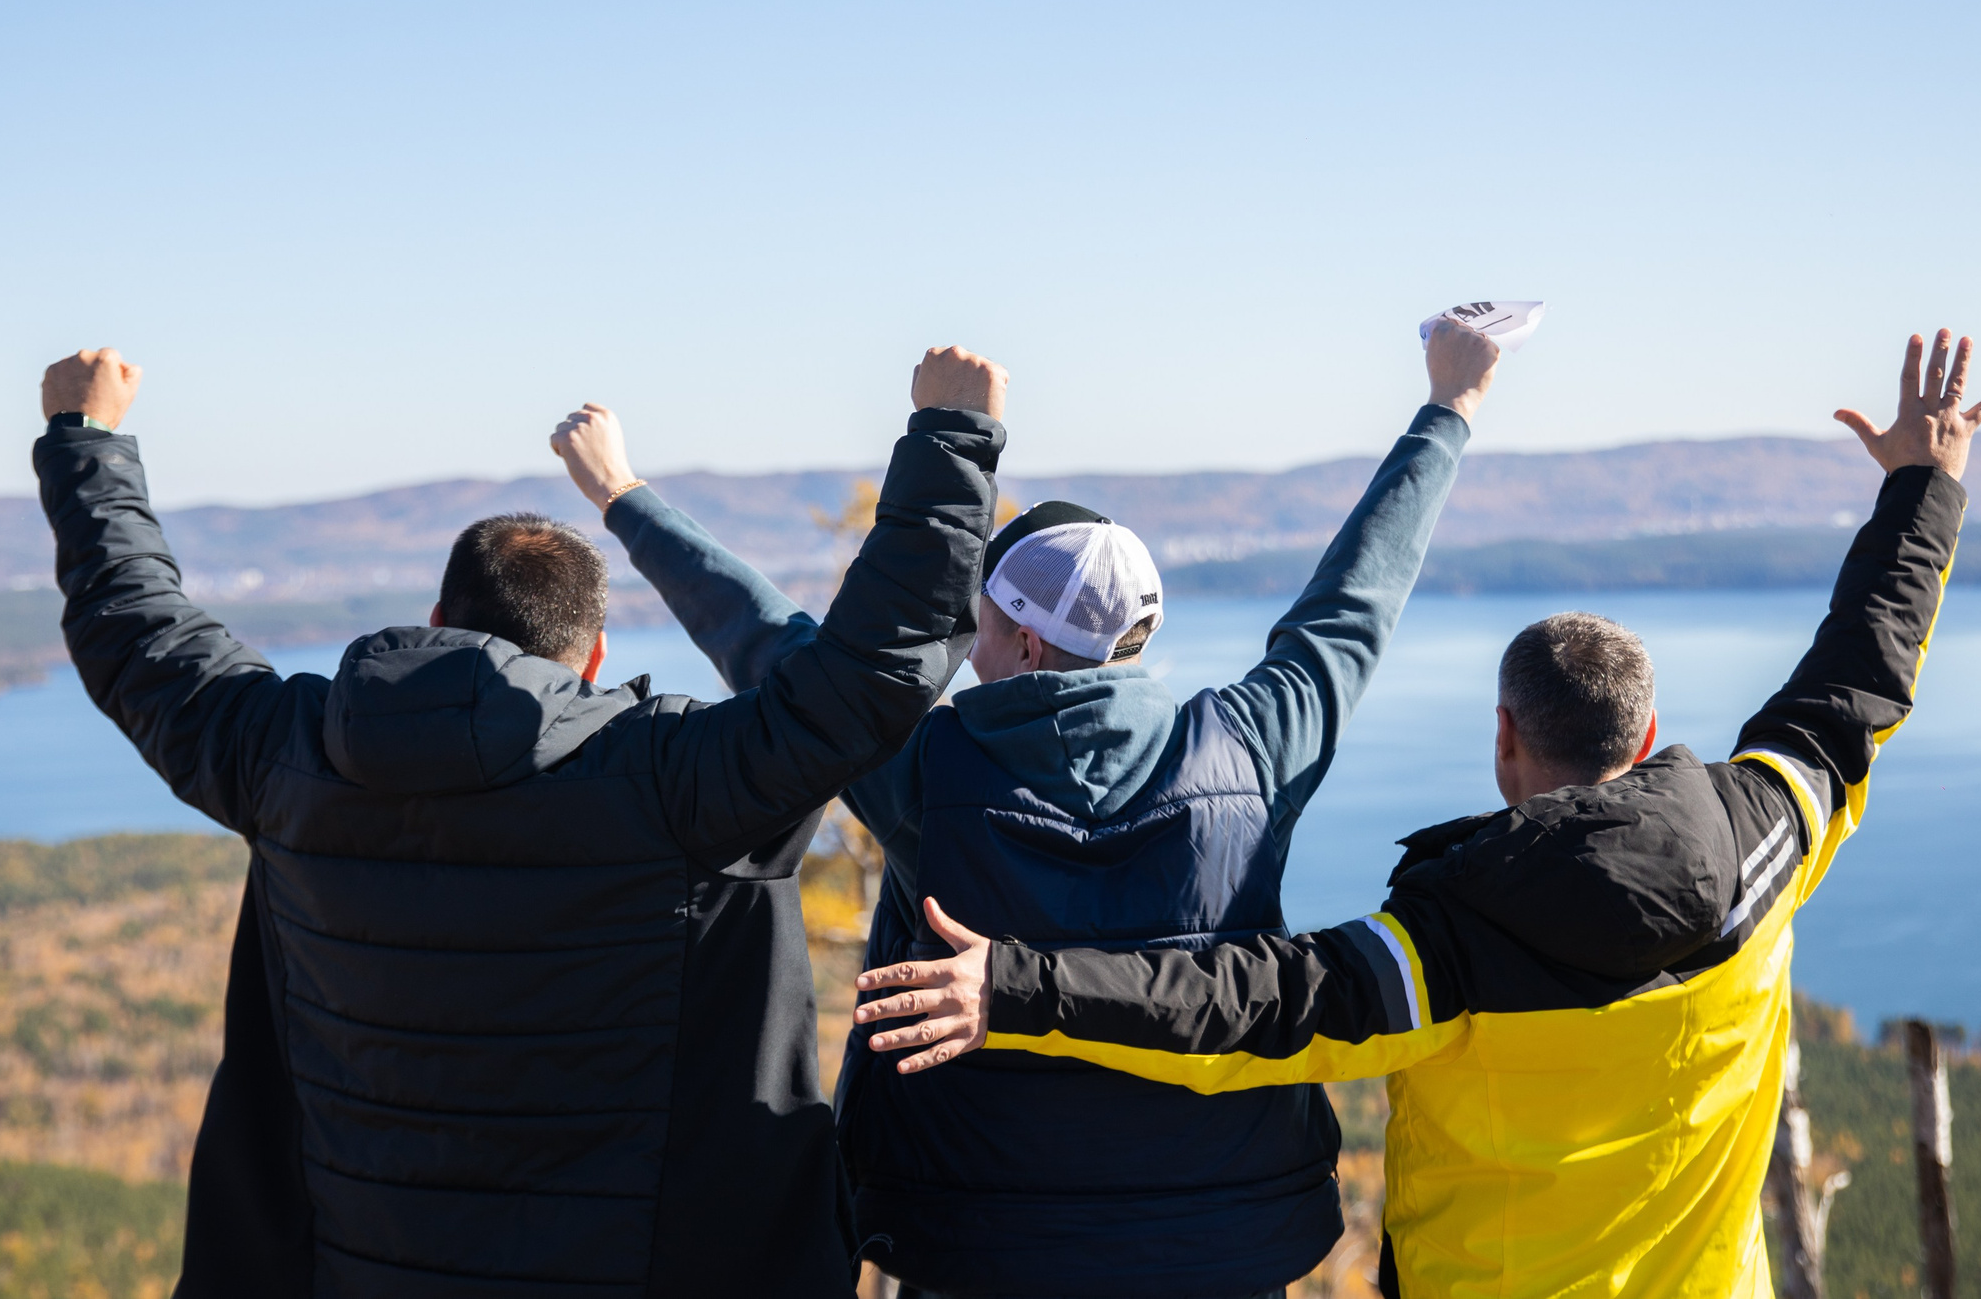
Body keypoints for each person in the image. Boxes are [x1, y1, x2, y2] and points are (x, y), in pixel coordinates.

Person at [853, 331, 1981, 1299]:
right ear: (1647, 734)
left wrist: (1019, 987)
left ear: (1505, 739)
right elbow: (1858, 678)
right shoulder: (1766, 838)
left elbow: (1241, 1004)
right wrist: (1925, 485)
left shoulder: (1448, 946)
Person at [32, 343, 1008, 1299]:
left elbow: (137, 632)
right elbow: (867, 676)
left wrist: (86, 440)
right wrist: (950, 437)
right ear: (592, 657)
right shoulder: (675, 783)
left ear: (437, 620)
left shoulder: (287, 756)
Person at [553, 321, 1507, 1297]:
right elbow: (1352, 604)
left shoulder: (928, 773)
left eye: (981, 621)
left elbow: (767, 641)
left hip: (980, 1251)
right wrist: (1448, 409)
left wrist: (621, 494)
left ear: (1026, 641)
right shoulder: (1253, 747)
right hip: (1223, 1248)